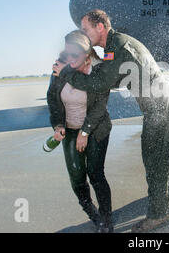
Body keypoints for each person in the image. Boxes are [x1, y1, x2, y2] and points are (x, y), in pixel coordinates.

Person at [53, 9, 169, 233]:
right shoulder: (113, 47)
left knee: (154, 158)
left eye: (86, 29)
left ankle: (159, 215)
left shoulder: (118, 47)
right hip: (163, 99)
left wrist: (66, 73)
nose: (84, 34)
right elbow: (113, 77)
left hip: (157, 105)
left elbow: (100, 83)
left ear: (100, 27)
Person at [47, 30, 113, 233]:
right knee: (76, 178)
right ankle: (93, 216)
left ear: (86, 53)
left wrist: (85, 133)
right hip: (70, 129)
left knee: (95, 173)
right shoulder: (60, 69)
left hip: (96, 128)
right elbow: (52, 98)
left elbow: (99, 107)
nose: (70, 58)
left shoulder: (99, 70)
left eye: (75, 54)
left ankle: (106, 220)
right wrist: (58, 126)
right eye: (68, 53)